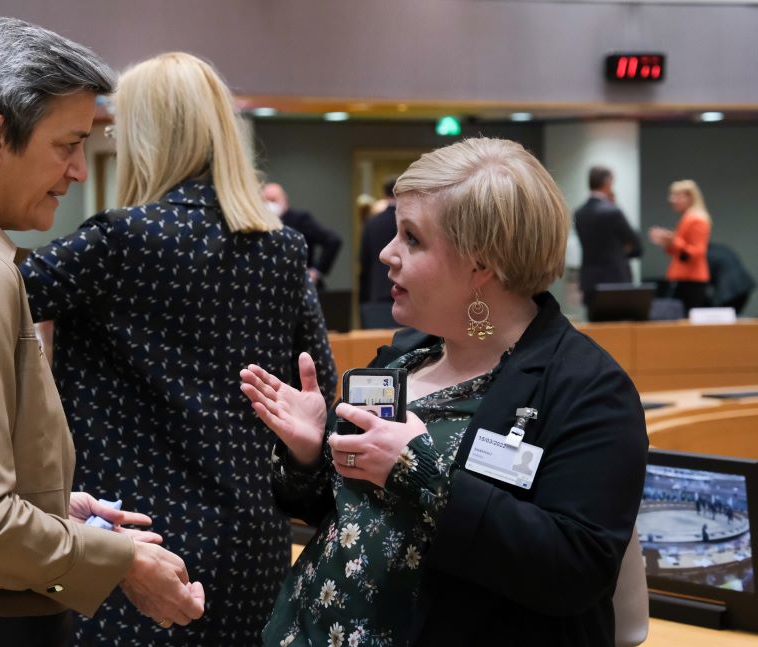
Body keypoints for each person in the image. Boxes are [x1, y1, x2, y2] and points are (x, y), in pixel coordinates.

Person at [0, 51, 336, 646]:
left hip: (128, 542)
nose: (79, 161)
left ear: (144, 138)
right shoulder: (284, 248)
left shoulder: (123, 241)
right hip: (254, 543)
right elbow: (313, 393)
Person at [242, 138, 647, 646]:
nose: (387, 254)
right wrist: (309, 455)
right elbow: (348, 512)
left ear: (481, 265)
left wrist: (422, 475)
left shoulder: (586, 389)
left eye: (412, 238)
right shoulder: (404, 357)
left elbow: (573, 572)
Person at [573, 166, 642, 309]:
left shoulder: (579, 213)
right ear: (607, 182)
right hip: (615, 280)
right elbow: (636, 245)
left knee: (595, 329)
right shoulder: (612, 211)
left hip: (590, 280)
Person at [263, 182, 342, 288]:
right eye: (265, 201)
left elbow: (333, 240)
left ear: (284, 199)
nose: (269, 205)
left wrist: (316, 271)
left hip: (301, 285)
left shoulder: (300, 220)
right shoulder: (262, 225)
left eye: (273, 200)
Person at [649, 180, 712, 311]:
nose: (672, 200)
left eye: (677, 196)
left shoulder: (697, 219)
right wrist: (667, 242)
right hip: (684, 278)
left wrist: (673, 241)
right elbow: (680, 251)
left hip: (692, 280)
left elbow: (697, 252)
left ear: (690, 198)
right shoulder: (688, 218)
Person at [358, 177, 398, 325]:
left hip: (377, 292)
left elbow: (364, 261)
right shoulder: (408, 222)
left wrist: (363, 299)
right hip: (406, 290)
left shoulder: (372, 223)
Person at [707, 241, 755, 313]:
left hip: (729, 288)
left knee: (719, 316)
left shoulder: (703, 253)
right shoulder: (717, 249)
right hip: (743, 285)